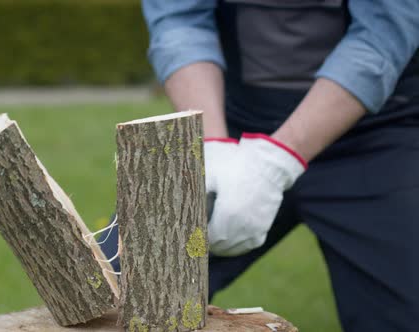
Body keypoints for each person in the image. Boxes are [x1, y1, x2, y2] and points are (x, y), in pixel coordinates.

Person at [99, 1, 419, 331]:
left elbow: (382, 36)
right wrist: (213, 148)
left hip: (375, 140)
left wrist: (277, 160)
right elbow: (180, 22)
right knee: (113, 296)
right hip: (230, 128)